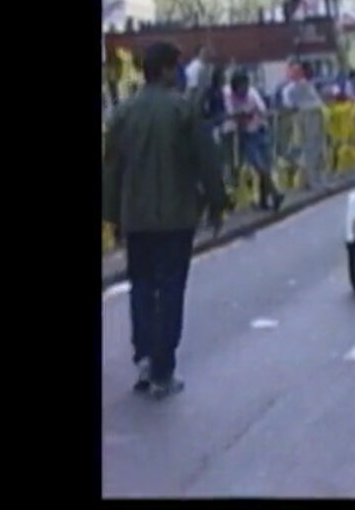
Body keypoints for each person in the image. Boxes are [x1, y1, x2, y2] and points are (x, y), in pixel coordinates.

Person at [103, 42, 227, 399]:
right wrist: (217, 204)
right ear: (167, 70)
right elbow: (207, 162)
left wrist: (112, 215)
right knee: (171, 290)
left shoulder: (123, 115)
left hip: (136, 219)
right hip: (176, 218)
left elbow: (111, 171)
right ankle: (163, 368)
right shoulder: (183, 111)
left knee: (140, 287)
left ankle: (143, 356)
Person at [226, 70, 285, 211]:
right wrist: (243, 115)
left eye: (246, 86)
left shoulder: (252, 94)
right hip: (246, 136)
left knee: (264, 167)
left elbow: (262, 110)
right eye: (241, 87)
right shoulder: (229, 96)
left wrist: (253, 114)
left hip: (260, 131)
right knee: (259, 167)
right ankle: (275, 193)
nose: (244, 89)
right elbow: (231, 114)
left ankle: (264, 201)